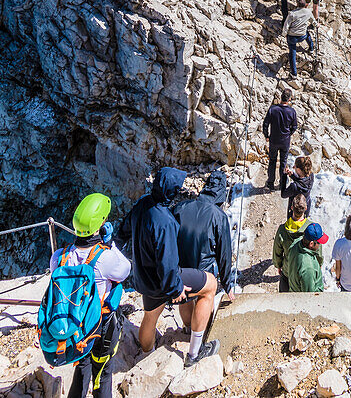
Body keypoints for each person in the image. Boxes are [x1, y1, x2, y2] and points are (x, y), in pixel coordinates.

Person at [116, 168, 219, 367]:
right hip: (164, 281)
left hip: (144, 277)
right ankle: (195, 353)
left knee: (150, 316)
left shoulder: (143, 204)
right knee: (210, 286)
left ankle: (147, 356)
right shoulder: (165, 221)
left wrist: (123, 250)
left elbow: (124, 232)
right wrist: (176, 289)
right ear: (171, 191)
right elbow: (168, 261)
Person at [45, 193, 130, 398]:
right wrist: (110, 244)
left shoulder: (60, 257)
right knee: (103, 372)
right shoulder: (105, 258)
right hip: (101, 324)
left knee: (81, 366)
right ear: (99, 225)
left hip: (75, 325)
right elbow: (125, 269)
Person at [174, 170, 235, 306]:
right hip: (204, 270)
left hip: (180, 268)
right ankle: (200, 327)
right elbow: (224, 253)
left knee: (186, 297)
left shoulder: (180, 207)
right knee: (206, 293)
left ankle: (187, 326)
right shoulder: (219, 216)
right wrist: (227, 284)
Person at [272, 194, 315, 292]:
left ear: (291, 208)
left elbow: (277, 251)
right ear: (306, 208)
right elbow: (317, 252)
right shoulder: (311, 228)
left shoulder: (283, 229)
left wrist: (278, 265)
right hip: (306, 271)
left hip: (288, 270)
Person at [263, 88, 298, 190]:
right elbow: (294, 126)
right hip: (285, 141)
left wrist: (267, 136)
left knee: (272, 161)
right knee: (283, 162)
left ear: (281, 97)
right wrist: (289, 134)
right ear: (290, 99)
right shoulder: (292, 111)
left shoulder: (273, 109)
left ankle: (270, 183)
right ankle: (282, 183)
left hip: (273, 140)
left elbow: (265, 124)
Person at [288, 223, 328, 293]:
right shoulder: (308, 268)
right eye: (319, 243)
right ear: (311, 244)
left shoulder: (296, 244)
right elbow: (309, 296)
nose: (319, 245)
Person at [283, 0, 316, 77]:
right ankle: (311, 49)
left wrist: (284, 34)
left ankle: (294, 74)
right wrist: (316, 25)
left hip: (292, 37)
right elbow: (313, 21)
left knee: (292, 53)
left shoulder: (292, 13)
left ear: (297, 4)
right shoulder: (308, 12)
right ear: (305, 4)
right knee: (308, 35)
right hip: (302, 36)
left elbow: (286, 26)